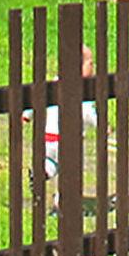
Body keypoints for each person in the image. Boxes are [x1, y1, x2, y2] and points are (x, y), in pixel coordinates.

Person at [43, 45, 99, 180]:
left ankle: (44, 171)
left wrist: (27, 115)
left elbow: (39, 99)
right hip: (68, 139)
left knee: (52, 161)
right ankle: (61, 197)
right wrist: (101, 125)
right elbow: (86, 113)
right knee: (70, 169)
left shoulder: (56, 83)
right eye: (90, 63)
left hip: (49, 136)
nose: (93, 68)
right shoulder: (82, 91)